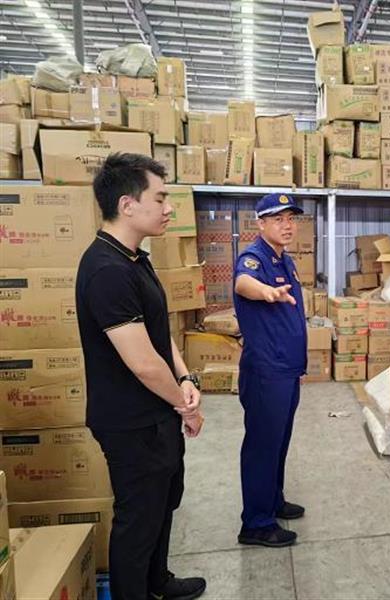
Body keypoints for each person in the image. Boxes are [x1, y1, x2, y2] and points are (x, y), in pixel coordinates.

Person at [76, 153, 206, 600]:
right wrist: (183, 405)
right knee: (138, 518)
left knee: (163, 503)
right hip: (130, 422)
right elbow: (143, 363)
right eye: (161, 198)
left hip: (157, 412)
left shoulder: (134, 259)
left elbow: (158, 332)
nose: (169, 208)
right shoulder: (106, 271)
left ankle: (157, 581)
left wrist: (186, 379)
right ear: (127, 205)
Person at [234, 192, 308, 548]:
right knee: (262, 445)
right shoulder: (254, 258)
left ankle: (273, 500)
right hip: (267, 371)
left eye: (291, 218)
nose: (287, 225)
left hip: (286, 369)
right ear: (260, 224)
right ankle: (256, 523)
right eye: (278, 219)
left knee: (279, 441)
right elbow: (242, 283)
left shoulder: (285, 260)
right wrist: (265, 292)